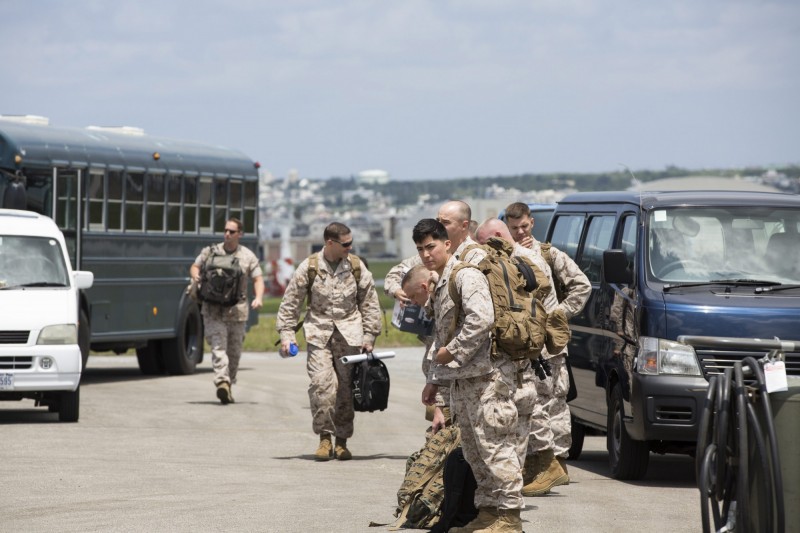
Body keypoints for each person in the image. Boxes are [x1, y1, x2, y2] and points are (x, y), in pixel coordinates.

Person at [403, 218, 532, 533]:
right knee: (476, 453)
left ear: (447, 243)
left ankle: (510, 517)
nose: (426, 254)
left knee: (496, 449)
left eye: (431, 246)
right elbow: (442, 335)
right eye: (421, 249)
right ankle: (488, 512)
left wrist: (455, 351)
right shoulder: (443, 283)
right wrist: (436, 379)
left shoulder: (465, 276)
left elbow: (482, 319)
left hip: (489, 381)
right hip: (464, 382)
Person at [503, 202, 591, 495]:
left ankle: (557, 463)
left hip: (549, 345)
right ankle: (543, 464)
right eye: (514, 228)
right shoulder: (506, 256)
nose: (520, 232)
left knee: (554, 403)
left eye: (524, 226)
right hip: (525, 343)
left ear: (532, 223)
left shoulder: (548, 253)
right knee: (535, 404)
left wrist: (559, 314)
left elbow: (582, 285)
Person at [276, 222, 382, 461]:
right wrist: (287, 335)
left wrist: (370, 336)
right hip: (319, 334)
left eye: (351, 242)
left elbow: (369, 302)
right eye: (345, 244)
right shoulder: (310, 267)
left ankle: (342, 441)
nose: (350, 247)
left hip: (350, 336)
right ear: (330, 243)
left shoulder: (356, 267)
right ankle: (324, 438)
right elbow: (291, 302)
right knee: (322, 386)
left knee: (345, 390)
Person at [190, 218, 264, 405]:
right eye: (225, 231)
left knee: (234, 353)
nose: (227, 234)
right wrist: (195, 275)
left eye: (231, 231)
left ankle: (228, 383)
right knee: (218, 347)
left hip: (237, 312)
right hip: (213, 310)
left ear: (240, 234)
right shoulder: (210, 252)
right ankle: (222, 381)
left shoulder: (248, 257)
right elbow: (195, 265)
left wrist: (259, 297)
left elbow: (258, 279)